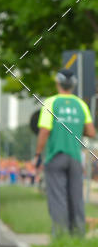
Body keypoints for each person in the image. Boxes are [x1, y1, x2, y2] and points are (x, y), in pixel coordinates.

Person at [35, 69, 96, 235]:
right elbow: (91, 132)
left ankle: (60, 234)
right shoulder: (81, 104)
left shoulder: (51, 103)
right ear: (73, 85)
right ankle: (78, 232)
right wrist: (75, 128)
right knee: (76, 196)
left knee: (57, 196)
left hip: (56, 155)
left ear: (58, 83)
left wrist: (38, 153)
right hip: (76, 157)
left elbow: (44, 131)